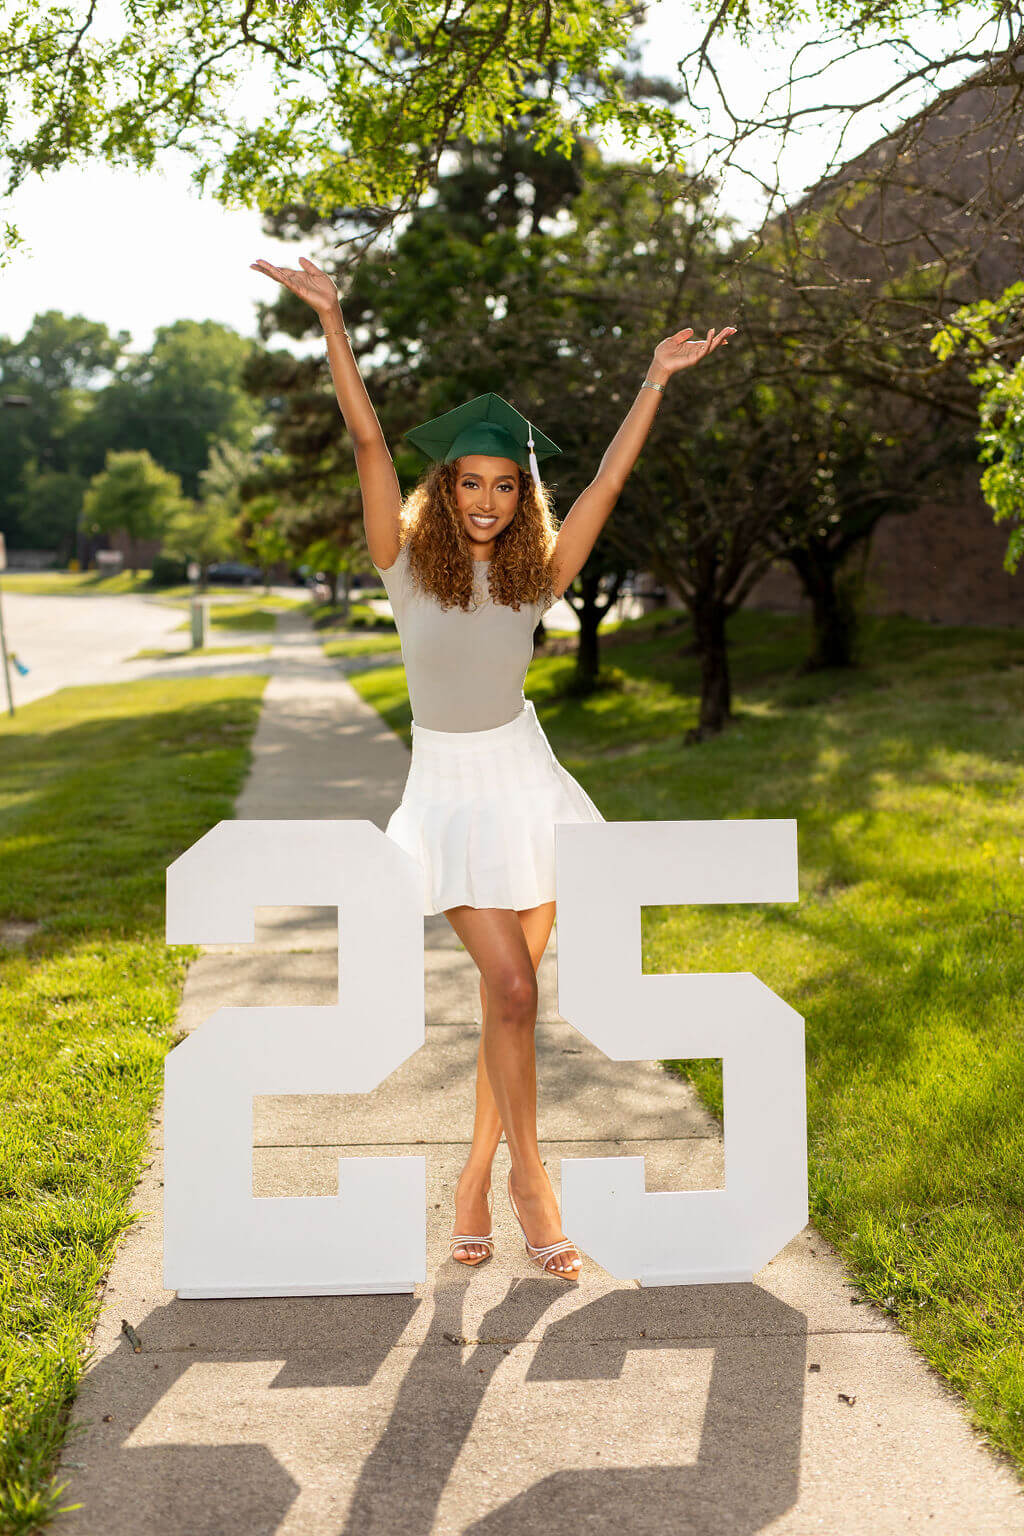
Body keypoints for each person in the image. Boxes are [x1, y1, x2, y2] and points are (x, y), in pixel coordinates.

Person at [250, 252, 736, 1279]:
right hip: (444, 793)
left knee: (509, 1002)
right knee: (510, 984)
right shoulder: (401, 563)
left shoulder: (537, 577)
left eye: (503, 486)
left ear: (521, 497)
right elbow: (368, 436)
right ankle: (529, 1177)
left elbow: (607, 479)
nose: (483, 500)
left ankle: (474, 1177)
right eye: (469, 483)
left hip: (527, 784)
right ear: (446, 486)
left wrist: (653, 377)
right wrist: (334, 322)